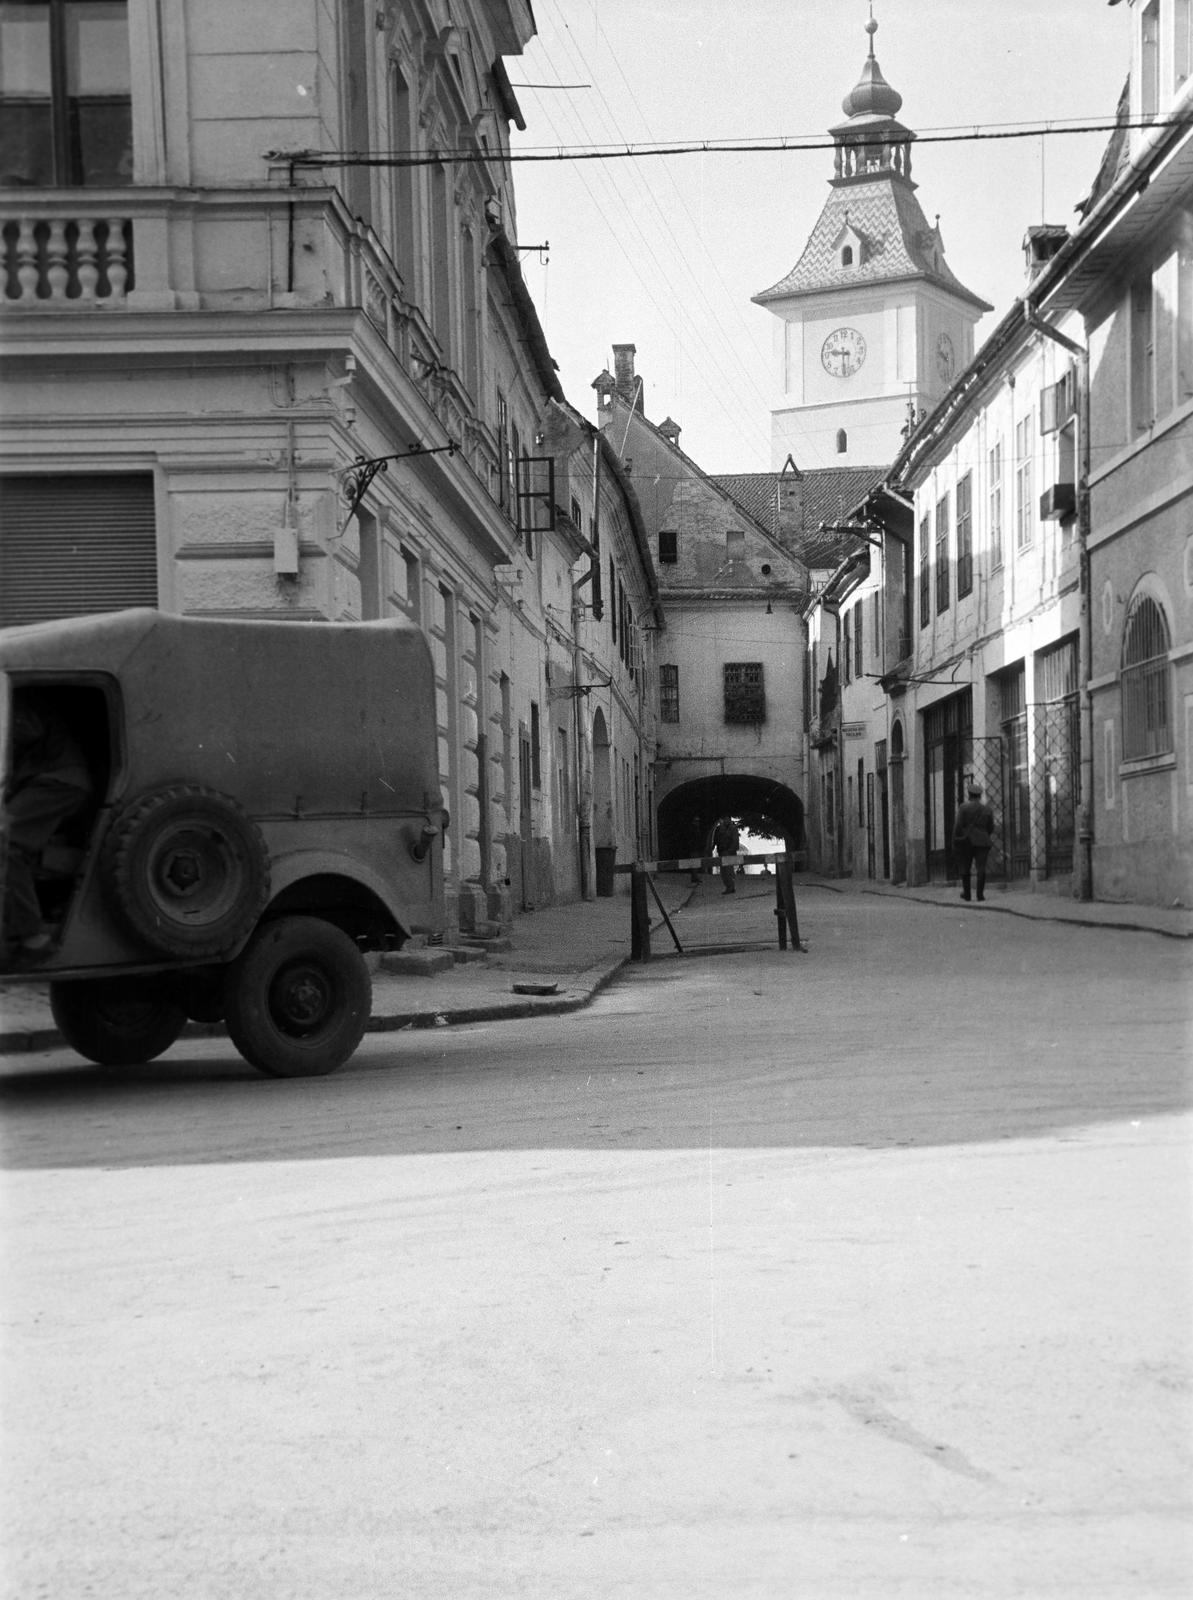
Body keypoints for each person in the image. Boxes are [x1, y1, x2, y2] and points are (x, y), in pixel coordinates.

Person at [2, 696, 93, 961]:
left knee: (5, 840)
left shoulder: (11, 695)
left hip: (59, 779)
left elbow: (28, 729)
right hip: (45, 779)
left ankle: (33, 937)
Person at [952, 783, 995, 903]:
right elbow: (991, 827)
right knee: (981, 868)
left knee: (965, 867)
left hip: (967, 841)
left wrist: (956, 839)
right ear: (980, 796)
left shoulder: (963, 807)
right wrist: (983, 835)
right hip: (983, 841)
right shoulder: (987, 809)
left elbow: (958, 826)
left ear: (969, 795)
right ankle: (980, 895)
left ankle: (967, 894)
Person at [712, 816, 740, 894]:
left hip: (729, 852)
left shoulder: (733, 828)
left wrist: (730, 851)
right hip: (722, 852)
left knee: (728, 871)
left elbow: (735, 841)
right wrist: (713, 847)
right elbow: (715, 839)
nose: (725, 820)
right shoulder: (719, 829)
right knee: (724, 871)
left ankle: (730, 887)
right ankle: (729, 886)